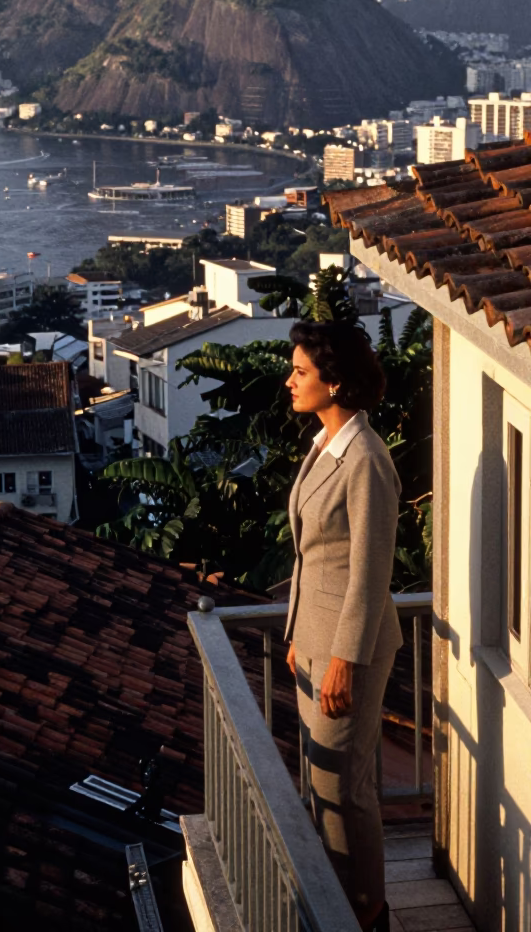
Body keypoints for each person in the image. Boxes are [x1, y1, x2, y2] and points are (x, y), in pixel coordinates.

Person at [284, 320, 402, 932]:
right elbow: (312, 556)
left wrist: (343, 659)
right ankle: (338, 903)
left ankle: (369, 910)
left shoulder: (367, 459)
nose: (290, 381)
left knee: (345, 789)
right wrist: (297, 634)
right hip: (315, 640)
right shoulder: (324, 445)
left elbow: (369, 573)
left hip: (347, 651)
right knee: (320, 782)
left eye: (300, 371)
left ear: (334, 382)